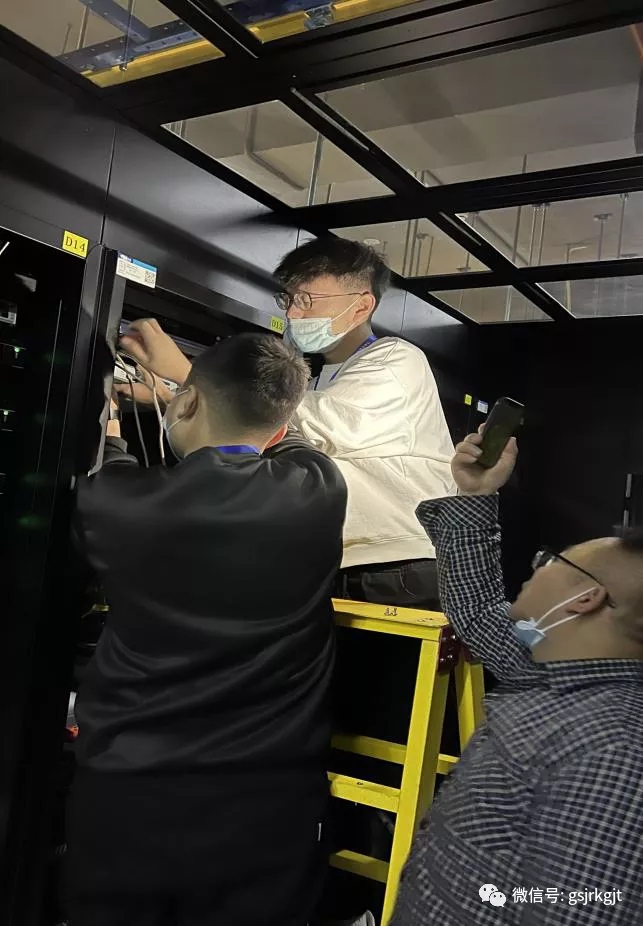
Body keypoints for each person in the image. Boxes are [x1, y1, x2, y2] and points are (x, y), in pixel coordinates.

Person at [68, 333, 347, 926]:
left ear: (189, 402)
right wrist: (182, 383)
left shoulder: (123, 505)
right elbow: (287, 434)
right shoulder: (319, 488)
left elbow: (108, 466)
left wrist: (112, 422)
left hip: (131, 797)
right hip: (269, 808)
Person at [119, 237, 456, 610]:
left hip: (394, 570)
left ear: (361, 306)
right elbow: (265, 432)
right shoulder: (319, 379)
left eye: (307, 300)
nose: (294, 313)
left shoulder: (397, 360)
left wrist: (189, 374)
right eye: (289, 299)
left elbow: (308, 421)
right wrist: (171, 395)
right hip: (342, 562)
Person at [391, 431, 643, 925]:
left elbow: (576, 910)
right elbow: (479, 609)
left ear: (586, 599)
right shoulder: (552, 668)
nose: (537, 568)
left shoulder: (612, 752)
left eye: (552, 561)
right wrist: (477, 493)